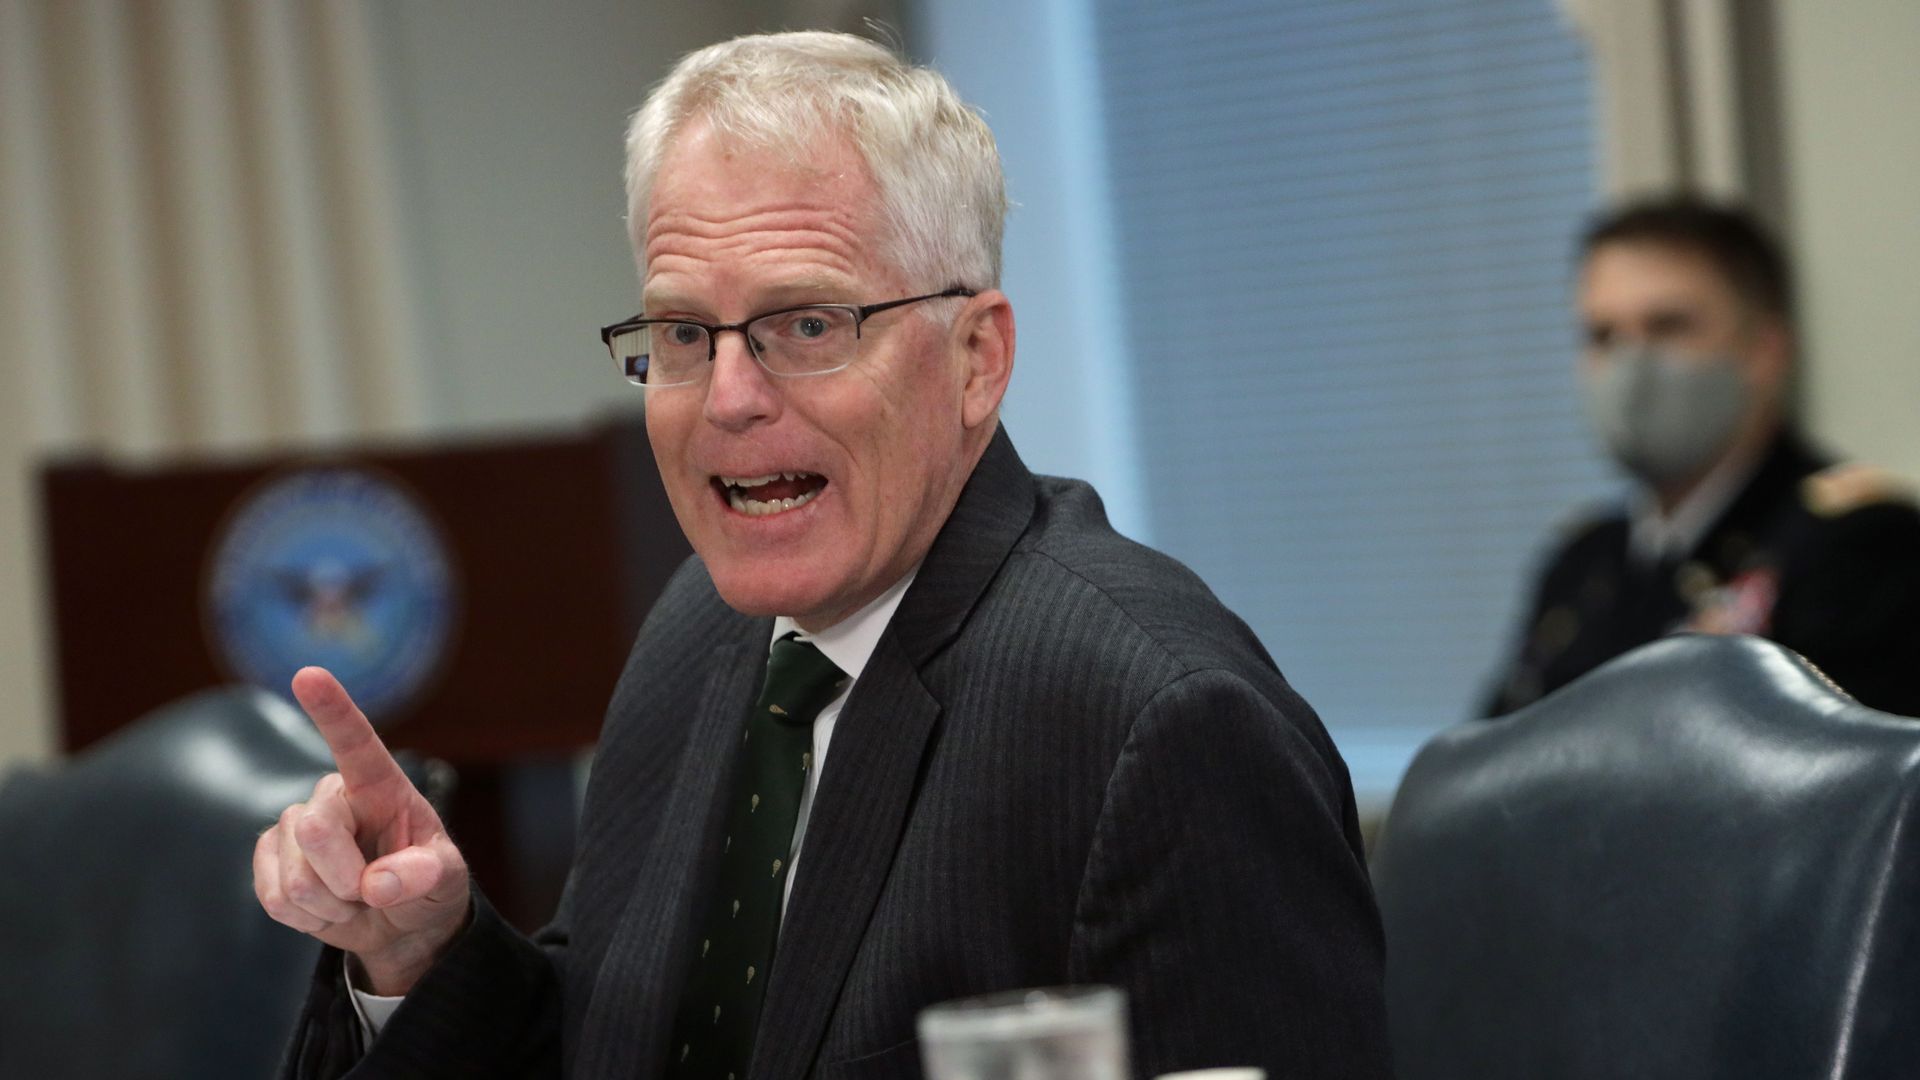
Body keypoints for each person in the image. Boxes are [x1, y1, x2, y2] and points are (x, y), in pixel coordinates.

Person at [255, 31, 1393, 1079]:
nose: (732, 400)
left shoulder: (1161, 722)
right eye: (686, 334)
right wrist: (424, 953)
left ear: (975, 360)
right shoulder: (700, 633)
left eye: (807, 324)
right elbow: (606, 1043)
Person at [1485, 196, 1920, 718]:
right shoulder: (1581, 563)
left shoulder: (1861, 546)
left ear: (1765, 351)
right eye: (1603, 336)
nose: (1630, 368)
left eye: (1668, 327)